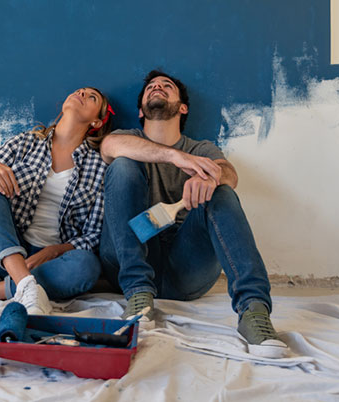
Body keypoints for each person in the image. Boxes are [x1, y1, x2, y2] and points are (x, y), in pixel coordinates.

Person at [98, 70, 290, 358]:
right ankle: (138, 294)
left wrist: (211, 178)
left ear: (183, 108)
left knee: (222, 192)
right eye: (151, 87)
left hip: (185, 270)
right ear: (140, 111)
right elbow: (109, 147)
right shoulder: (126, 138)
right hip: (130, 262)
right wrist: (174, 156)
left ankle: (254, 311)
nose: (157, 87)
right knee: (122, 166)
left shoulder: (202, 149)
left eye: (166, 85)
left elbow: (230, 174)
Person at [0, 87, 113, 315]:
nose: (82, 94)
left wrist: (53, 251)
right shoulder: (25, 143)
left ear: (96, 122)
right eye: (80, 91)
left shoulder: (99, 167)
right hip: (3, 252)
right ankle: (23, 282)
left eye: (92, 97)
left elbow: (93, 235)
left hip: (52, 264)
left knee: (87, 266)